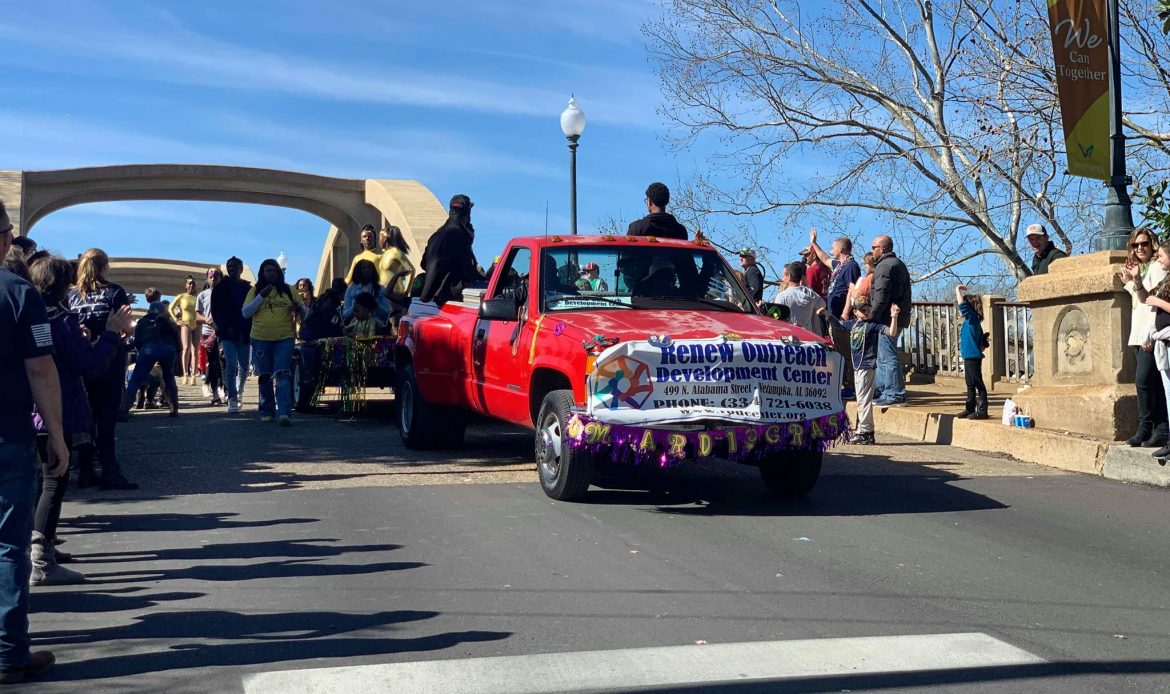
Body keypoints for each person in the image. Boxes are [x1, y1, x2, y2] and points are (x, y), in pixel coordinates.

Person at [27, 254, 131, 585]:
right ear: (60, 286)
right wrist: (113, 334)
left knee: (40, 481)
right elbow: (91, 365)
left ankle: (44, 549)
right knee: (54, 481)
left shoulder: (32, 318)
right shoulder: (61, 322)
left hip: (27, 412)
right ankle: (42, 558)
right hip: (56, 411)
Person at [0, 201, 62, 683]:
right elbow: (40, 368)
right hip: (8, 433)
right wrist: (57, 435)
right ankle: (7, 653)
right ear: (4, 240)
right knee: (6, 545)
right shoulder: (19, 293)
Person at [67, 248, 137, 490]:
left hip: (82, 360)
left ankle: (85, 469)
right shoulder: (115, 292)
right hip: (109, 360)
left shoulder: (71, 296)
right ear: (105, 266)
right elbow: (127, 327)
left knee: (87, 417)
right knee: (106, 418)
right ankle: (109, 469)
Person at [820, 298, 903, 445]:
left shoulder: (873, 325)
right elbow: (838, 325)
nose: (866, 312)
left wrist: (894, 316)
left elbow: (891, 332)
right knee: (861, 399)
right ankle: (867, 431)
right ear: (855, 312)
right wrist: (826, 313)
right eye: (863, 310)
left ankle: (864, 431)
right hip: (857, 366)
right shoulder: (854, 324)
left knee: (864, 400)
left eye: (868, 309)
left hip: (867, 365)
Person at [241, 259, 306, 426]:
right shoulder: (255, 290)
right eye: (268, 271)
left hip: (284, 338)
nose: (271, 274)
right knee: (265, 376)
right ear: (262, 273)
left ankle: (284, 412)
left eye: (274, 271)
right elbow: (246, 313)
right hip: (261, 338)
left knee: (283, 374)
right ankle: (267, 411)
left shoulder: (289, 290)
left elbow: (306, 312)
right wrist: (261, 296)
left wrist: (299, 308)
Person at [1120, 228, 1168, 447]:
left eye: (1144, 244)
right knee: (1152, 382)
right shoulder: (1141, 268)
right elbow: (1142, 298)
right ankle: (1159, 430)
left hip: (1149, 332)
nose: (1140, 248)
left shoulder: (1158, 267)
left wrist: (1131, 283)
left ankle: (1146, 427)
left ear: (1152, 244)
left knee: (1143, 381)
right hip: (1138, 332)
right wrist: (1132, 281)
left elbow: (1151, 302)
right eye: (1136, 245)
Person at [809, 228, 861, 397]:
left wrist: (846, 311)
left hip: (842, 317)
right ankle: (845, 384)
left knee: (846, 351)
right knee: (838, 349)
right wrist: (814, 243)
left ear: (842, 249)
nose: (832, 250)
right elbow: (824, 258)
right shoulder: (840, 266)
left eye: (834, 247)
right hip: (833, 315)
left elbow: (852, 290)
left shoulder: (851, 266)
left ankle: (852, 386)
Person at [120, 289, 180, 419]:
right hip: (168, 349)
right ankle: (174, 407)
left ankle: (124, 409)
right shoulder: (170, 322)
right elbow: (177, 340)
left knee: (136, 379)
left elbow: (137, 341)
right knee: (169, 377)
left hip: (148, 349)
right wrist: (176, 352)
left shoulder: (143, 321)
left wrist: (143, 352)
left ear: (149, 310)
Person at [419, 194, 487, 305]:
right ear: (467, 213)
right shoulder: (458, 234)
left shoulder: (438, 233)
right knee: (489, 289)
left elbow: (423, 264)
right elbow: (468, 270)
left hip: (430, 294)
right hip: (447, 293)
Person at [869, 235, 912, 406]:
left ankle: (894, 393)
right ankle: (883, 390)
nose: (872, 251)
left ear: (883, 248)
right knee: (883, 355)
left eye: (874, 247)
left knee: (887, 356)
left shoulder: (885, 266)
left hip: (887, 318)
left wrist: (871, 316)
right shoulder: (897, 264)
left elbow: (881, 295)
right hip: (894, 316)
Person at [210, 256, 252, 414]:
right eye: (230, 266)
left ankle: (240, 391)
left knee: (244, 366)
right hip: (227, 333)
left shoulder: (248, 289)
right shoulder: (220, 288)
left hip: (244, 331)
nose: (232, 268)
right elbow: (216, 311)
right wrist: (224, 327)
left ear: (241, 269)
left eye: (235, 266)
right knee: (231, 365)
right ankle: (232, 397)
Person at [1145, 244, 1170, 460]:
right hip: (1164, 342)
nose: (1159, 259)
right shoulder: (1165, 280)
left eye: (1161, 256)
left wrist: (1157, 301)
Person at [954, 284, 989, 420]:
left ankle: (982, 410)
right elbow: (979, 339)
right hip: (969, 356)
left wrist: (957, 290)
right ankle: (969, 408)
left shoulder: (973, 319)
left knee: (977, 382)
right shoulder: (970, 322)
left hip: (973, 357)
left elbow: (962, 306)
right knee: (969, 383)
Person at [771, 262, 826, 335]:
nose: (782, 278)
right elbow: (823, 304)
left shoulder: (782, 296)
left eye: (784, 276)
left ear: (789, 277)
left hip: (791, 339)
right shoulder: (810, 294)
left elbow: (775, 320)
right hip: (808, 338)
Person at [196, 268, 224, 405]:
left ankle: (224, 389)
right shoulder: (202, 295)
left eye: (216, 275)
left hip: (224, 331)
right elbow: (197, 315)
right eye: (211, 275)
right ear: (207, 278)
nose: (213, 278)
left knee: (224, 361)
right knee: (213, 362)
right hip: (208, 332)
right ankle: (214, 392)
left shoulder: (226, 294)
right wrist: (206, 319)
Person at [170, 275, 199, 385]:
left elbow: (202, 309)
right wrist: (177, 320)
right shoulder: (181, 296)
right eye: (190, 283)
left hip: (197, 324)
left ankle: (194, 375)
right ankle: (185, 374)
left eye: (193, 284)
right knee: (186, 348)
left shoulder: (197, 298)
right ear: (186, 285)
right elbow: (171, 308)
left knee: (195, 350)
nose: (191, 285)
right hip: (185, 323)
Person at [342, 260, 391, 324]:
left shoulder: (380, 289)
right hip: (355, 327)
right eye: (364, 268)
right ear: (358, 271)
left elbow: (388, 315)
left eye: (370, 268)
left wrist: (376, 305)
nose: (367, 270)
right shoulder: (350, 289)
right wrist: (355, 306)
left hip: (377, 327)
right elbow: (345, 314)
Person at [377, 226, 414, 295]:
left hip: (394, 293)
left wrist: (406, 291)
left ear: (385, 238)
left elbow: (411, 270)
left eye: (380, 238)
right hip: (382, 294)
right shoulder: (385, 253)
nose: (379, 241)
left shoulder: (396, 252)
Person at [844, 252, 877, 320]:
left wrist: (851, 286)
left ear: (871, 264)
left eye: (866, 263)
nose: (865, 266)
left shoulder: (870, 277)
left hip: (865, 313)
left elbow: (857, 295)